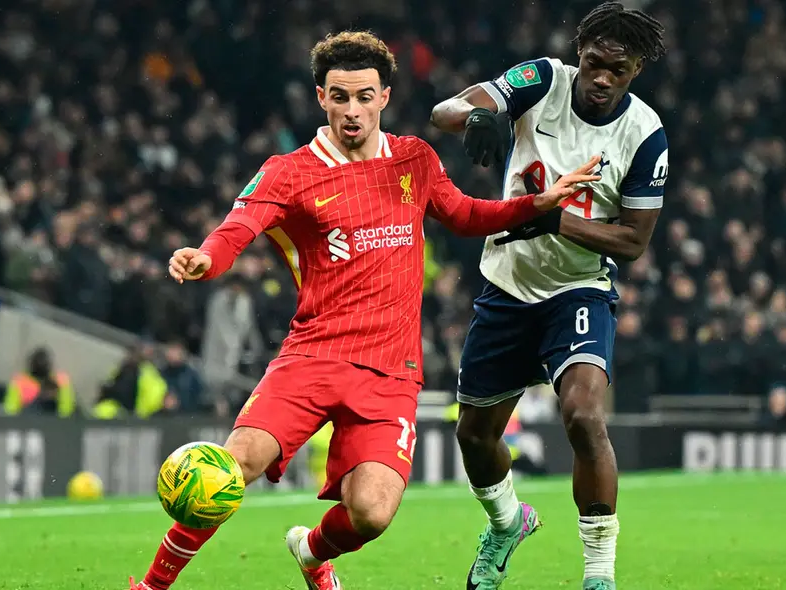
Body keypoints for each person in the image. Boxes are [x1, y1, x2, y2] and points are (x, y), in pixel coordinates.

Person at [129, 30, 601, 590]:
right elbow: (239, 227)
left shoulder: (414, 159)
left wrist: (538, 204)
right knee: (229, 470)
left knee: (371, 513)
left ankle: (311, 552)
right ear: (321, 98)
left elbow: (467, 215)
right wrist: (206, 257)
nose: (351, 110)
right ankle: (152, 585)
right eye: (339, 97)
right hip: (312, 356)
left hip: (389, 372)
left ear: (384, 96)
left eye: (363, 96)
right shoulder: (291, 170)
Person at [429, 3, 669, 589]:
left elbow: (633, 242)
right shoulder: (541, 80)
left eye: (618, 69)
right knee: (475, 437)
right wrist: (476, 118)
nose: (603, 78)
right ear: (579, 53)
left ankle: (599, 577)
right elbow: (444, 110)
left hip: (578, 288)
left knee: (584, 416)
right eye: (594, 63)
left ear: (635, 70)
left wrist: (554, 223)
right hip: (508, 284)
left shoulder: (645, 134)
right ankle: (508, 524)